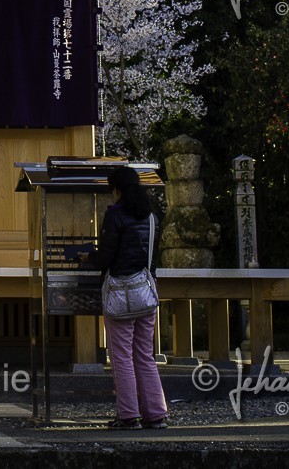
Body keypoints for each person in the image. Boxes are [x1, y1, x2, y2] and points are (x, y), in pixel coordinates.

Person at [81, 165, 167, 429]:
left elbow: (107, 257)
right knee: (145, 354)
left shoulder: (115, 215)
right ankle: (156, 414)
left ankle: (128, 415)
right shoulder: (151, 216)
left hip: (120, 293)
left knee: (121, 355)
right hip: (145, 292)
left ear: (116, 189)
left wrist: (88, 258)